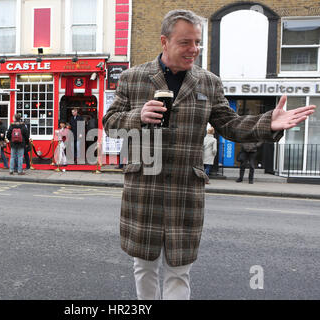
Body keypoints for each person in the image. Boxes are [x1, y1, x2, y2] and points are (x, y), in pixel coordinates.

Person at [102, 9, 316, 300]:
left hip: (186, 190)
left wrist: (268, 123)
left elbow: (229, 124)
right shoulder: (132, 77)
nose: (194, 50)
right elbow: (110, 124)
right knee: (144, 265)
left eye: (198, 42)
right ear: (164, 42)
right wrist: (136, 116)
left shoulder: (208, 82)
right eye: (185, 42)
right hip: (144, 186)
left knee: (180, 270)